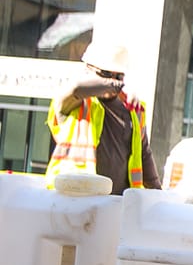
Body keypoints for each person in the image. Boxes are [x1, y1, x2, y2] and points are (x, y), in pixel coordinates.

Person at [44, 40, 159, 193]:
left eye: (118, 76)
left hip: (117, 204)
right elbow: (77, 88)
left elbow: (144, 156)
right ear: (87, 69)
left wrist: (158, 193)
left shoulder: (133, 111)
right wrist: (117, 86)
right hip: (75, 198)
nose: (112, 81)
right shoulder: (75, 103)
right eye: (105, 74)